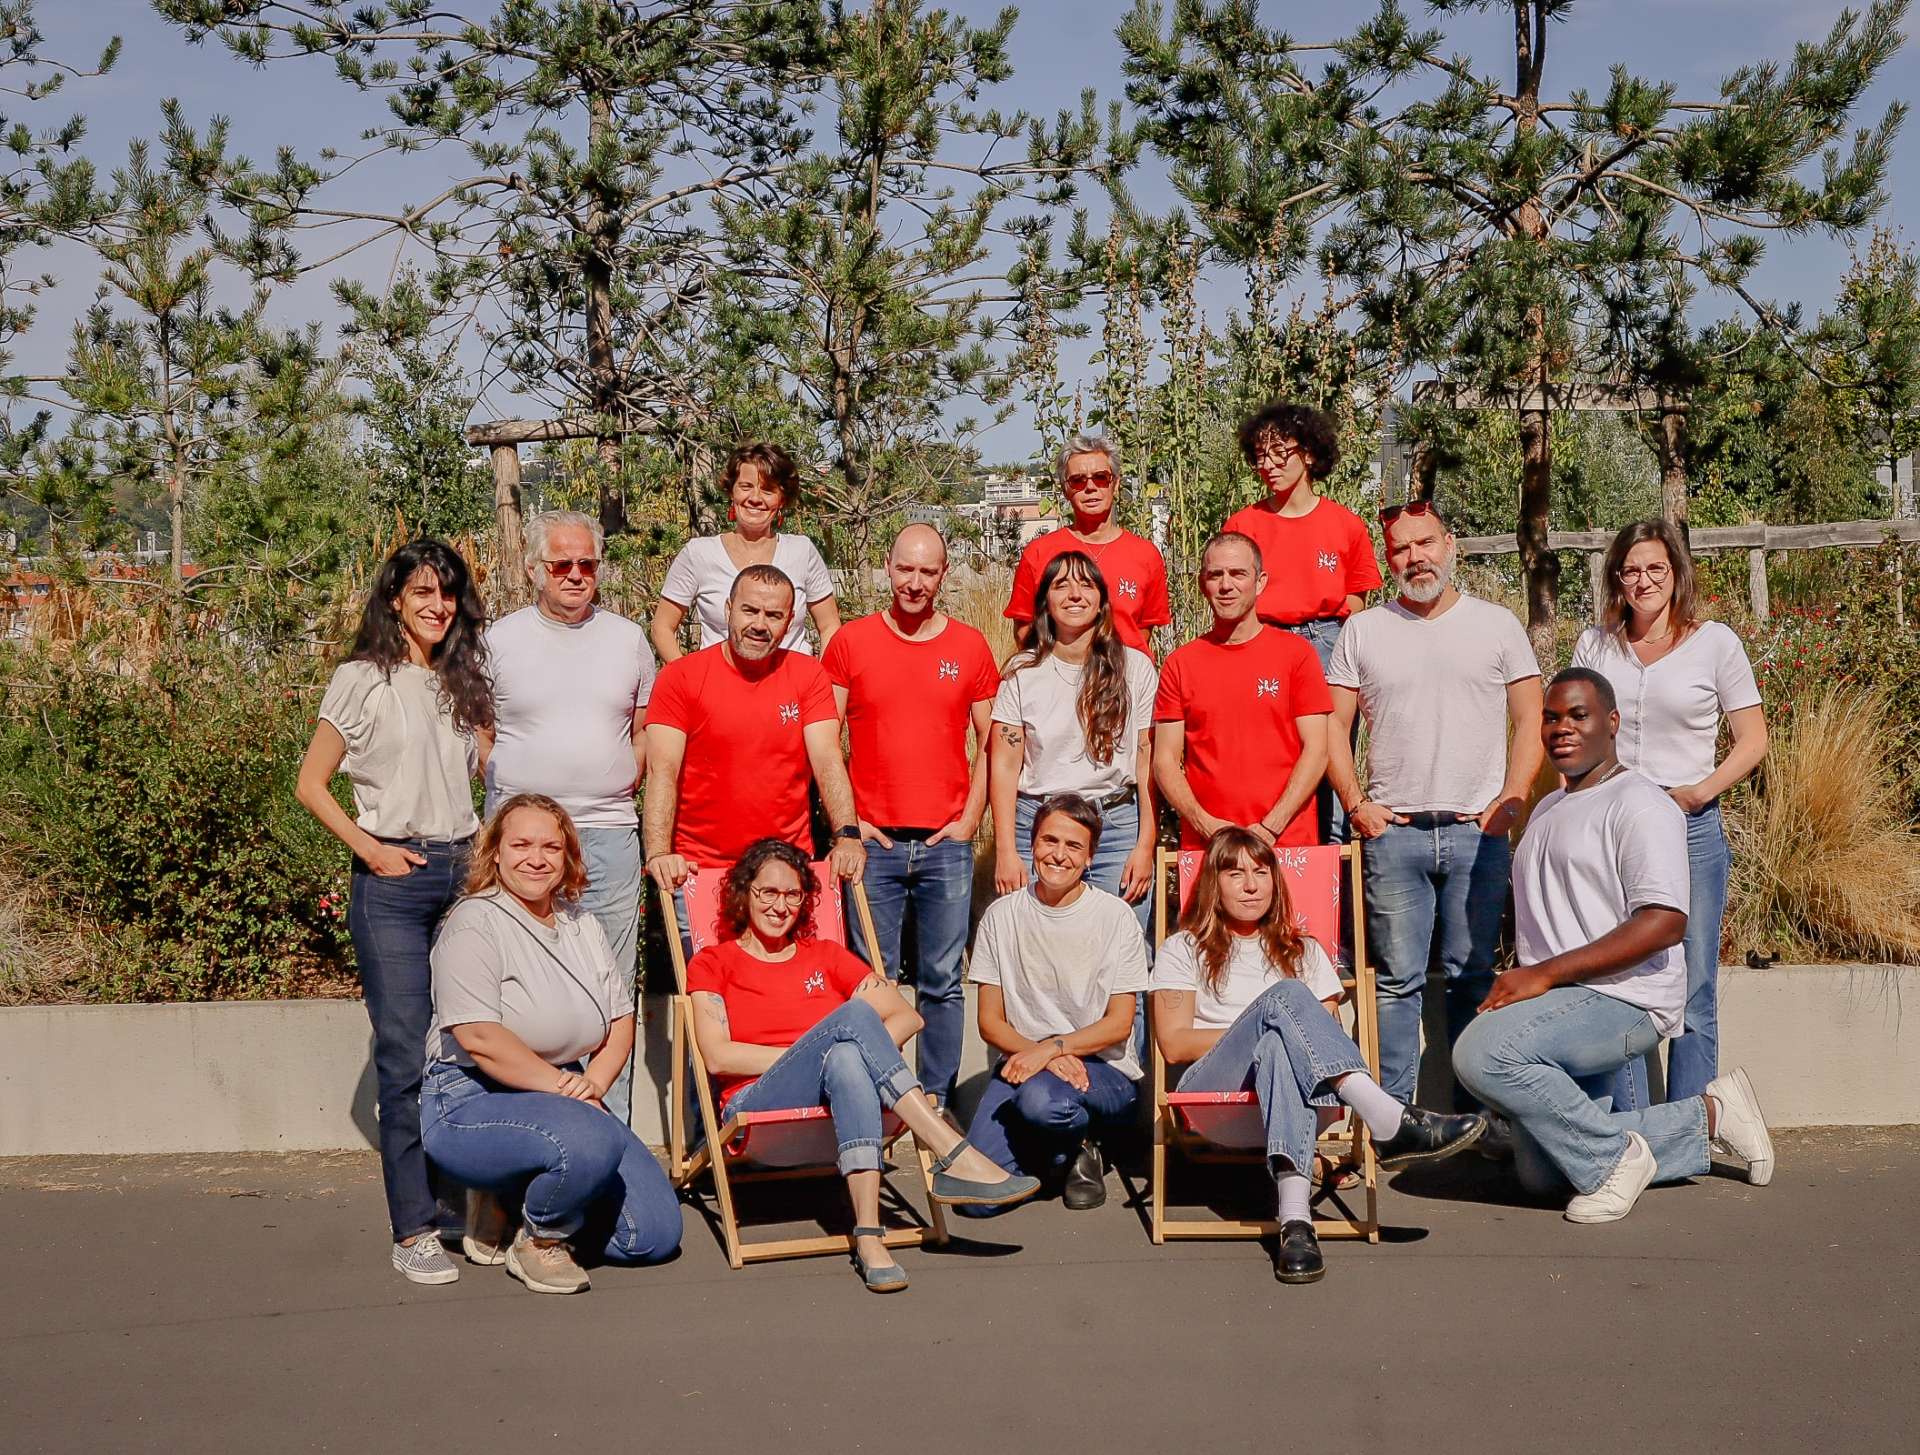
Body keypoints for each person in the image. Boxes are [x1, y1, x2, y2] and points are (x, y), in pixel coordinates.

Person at [1452, 670, 1775, 1224]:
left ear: (1613, 722)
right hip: (1565, 1001)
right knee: (1542, 1172)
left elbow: (1664, 922)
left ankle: (1613, 1159)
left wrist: (1544, 974)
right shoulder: (1550, 808)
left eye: (1579, 715)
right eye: (1551, 717)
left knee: (1480, 1053)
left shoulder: (1641, 804)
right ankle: (1713, 1118)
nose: (1562, 728)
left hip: (1625, 1001)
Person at [687, 838, 1041, 1292]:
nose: (780, 906)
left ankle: (870, 1237)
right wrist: (811, 1052)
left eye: (793, 894)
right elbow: (717, 1054)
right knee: (851, 1023)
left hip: (834, 1093)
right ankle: (950, 1150)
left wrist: (834, 1052)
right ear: (744, 892)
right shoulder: (714, 962)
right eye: (767, 893)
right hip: (757, 1105)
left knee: (850, 1056)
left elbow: (907, 1016)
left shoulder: (826, 956)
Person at [1153, 827, 1485, 1282]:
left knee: (1278, 1046)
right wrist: (1259, 1020)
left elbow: (1320, 1044)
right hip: (1215, 1106)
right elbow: (1173, 1044)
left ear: (1275, 880)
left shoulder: (1305, 950)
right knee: (1280, 1005)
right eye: (1234, 873)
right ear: (1213, 882)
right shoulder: (1183, 948)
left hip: (1307, 1102)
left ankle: (1295, 1223)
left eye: (1261, 871)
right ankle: (1385, 1117)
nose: (1251, 884)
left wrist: (1273, 1031)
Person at [293, 539, 490, 1286]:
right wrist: (372, 850)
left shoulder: (458, 678)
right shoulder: (361, 678)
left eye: (448, 594)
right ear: (394, 599)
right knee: (404, 1053)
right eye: (423, 592)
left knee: (462, 1046)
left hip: (462, 871)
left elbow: (474, 774)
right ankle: (414, 1226)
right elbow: (312, 784)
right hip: (395, 880)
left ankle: (458, 1201)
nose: (438, 605)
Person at [1324, 501, 1544, 1104]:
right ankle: (1395, 1118)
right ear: (1387, 557)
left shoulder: (1497, 625)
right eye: (1400, 548)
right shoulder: (1364, 629)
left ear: (1451, 544)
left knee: (1475, 977)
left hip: (1479, 833)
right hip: (1394, 835)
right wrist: (1358, 804)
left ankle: (1481, 1112)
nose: (1415, 557)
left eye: (1425, 543)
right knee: (1397, 983)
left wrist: (1513, 800)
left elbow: (1530, 719)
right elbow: (1332, 730)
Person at [421, 795, 683, 1294]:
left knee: (653, 1235)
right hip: (471, 1099)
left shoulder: (581, 924)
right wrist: (567, 1091)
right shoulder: (474, 922)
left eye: (551, 846)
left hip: (565, 1095)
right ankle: (540, 1238)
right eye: (520, 844)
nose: (536, 858)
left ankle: (518, 1195)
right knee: (590, 1138)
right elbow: (479, 1037)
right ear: (494, 852)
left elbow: (621, 1018)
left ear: (568, 857)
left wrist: (594, 1084)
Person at [1572, 519, 1768, 1108]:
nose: (1643, 580)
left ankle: (1689, 1124)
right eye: (1631, 570)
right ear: (1617, 579)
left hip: (1689, 829)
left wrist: (1700, 792)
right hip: (1617, 832)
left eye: (1656, 568)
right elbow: (1576, 734)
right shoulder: (1595, 646)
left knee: (1695, 981)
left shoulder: (1715, 643)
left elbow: (1752, 740)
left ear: (1676, 573)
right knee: (1621, 977)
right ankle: (1633, 1126)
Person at [478, 510, 655, 1126]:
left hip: (607, 834)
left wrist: (621, 778)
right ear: (534, 570)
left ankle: (613, 1142)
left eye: (587, 564)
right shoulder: (498, 640)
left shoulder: (628, 639)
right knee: (521, 985)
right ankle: (532, 1132)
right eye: (562, 564)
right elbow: (480, 732)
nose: (576, 575)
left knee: (612, 993)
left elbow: (643, 729)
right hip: (520, 842)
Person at [822, 523, 998, 1108]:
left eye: (927, 571)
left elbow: (992, 742)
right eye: (905, 569)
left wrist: (972, 818)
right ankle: (880, 1096)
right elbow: (825, 739)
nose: (915, 583)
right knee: (874, 979)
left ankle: (938, 1099)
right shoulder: (850, 643)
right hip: (875, 845)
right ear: (888, 568)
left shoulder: (970, 646)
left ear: (943, 575)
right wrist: (849, 824)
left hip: (946, 841)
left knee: (942, 983)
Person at [643, 564, 866, 949]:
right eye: (750, 610)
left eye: (773, 615)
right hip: (702, 869)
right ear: (727, 608)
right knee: (711, 997)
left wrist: (847, 834)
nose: (760, 624)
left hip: (782, 871)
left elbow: (828, 759)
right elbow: (663, 770)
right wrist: (660, 852)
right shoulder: (682, 678)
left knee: (789, 995)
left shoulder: (808, 676)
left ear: (789, 621)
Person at [962, 794, 1152, 1213]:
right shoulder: (1001, 916)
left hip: (1103, 1068)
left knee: (1042, 1102)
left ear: (1090, 857)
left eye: (1074, 846)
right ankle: (1066, 1156)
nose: (1059, 855)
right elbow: (990, 1022)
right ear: (1033, 844)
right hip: (1024, 1062)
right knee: (976, 1199)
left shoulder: (1115, 917)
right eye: (1050, 841)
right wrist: (1041, 1057)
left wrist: (1052, 1048)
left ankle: (1084, 1138)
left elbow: (1119, 1024)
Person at [1221, 401, 1382, 842]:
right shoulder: (1243, 524)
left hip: (1329, 638)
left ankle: (1330, 856)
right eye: (1259, 456)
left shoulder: (1345, 524)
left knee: (1330, 749)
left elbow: (1358, 597)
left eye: (1279, 453)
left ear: (1308, 453)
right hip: (1265, 638)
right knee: (1269, 748)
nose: (1268, 465)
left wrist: (1339, 644)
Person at [990, 550, 1158, 934]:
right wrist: (1006, 850)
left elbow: (1146, 759)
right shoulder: (1022, 671)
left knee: (1120, 949)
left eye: (1086, 584)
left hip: (1115, 825)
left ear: (1102, 602)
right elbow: (1004, 764)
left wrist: (1144, 844)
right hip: (1038, 823)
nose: (1075, 594)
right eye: (1061, 584)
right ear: (1045, 602)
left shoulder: (1136, 668)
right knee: (1036, 947)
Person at [1154, 531, 1332, 852]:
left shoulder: (1297, 655)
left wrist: (1270, 826)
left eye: (1238, 574)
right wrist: (1204, 824)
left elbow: (1317, 750)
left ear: (1260, 582)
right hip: (1208, 847)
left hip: (1287, 842)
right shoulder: (1180, 663)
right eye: (1215, 575)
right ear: (1201, 584)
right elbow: (1164, 760)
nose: (1226, 585)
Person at [651, 441, 839, 660]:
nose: (755, 498)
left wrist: (820, 679)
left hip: (792, 688)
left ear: (782, 499)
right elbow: (661, 627)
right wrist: (691, 680)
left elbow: (829, 625)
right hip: (721, 689)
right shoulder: (699, 553)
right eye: (746, 486)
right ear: (732, 492)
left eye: (768, 490)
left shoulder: (801, 552)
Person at [1004, 434, 1171, 654]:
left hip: (1123, 680)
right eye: (1078, 480)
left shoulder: (1145, 554)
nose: (1090, 487)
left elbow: (1143, 629)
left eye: (1101, 478)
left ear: (1116, 483)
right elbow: (1024, 627)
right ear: (1065, 489)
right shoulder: (1039, 553)